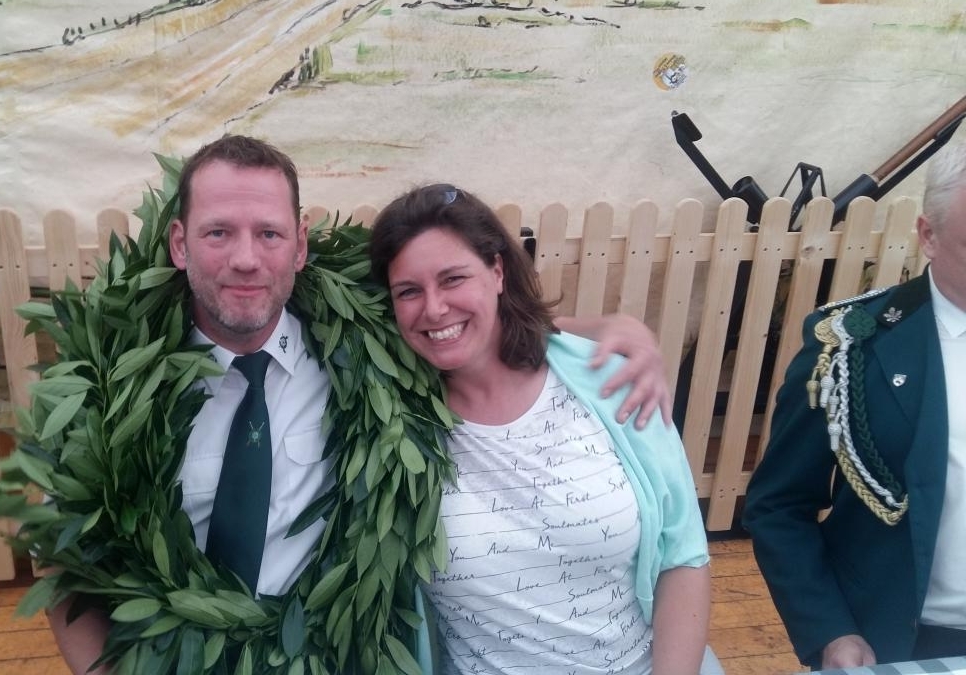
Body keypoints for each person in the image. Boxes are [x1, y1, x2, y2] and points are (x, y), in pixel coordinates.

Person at [48, 136, 674, 673]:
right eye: (218, 233)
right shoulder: (109, 392)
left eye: (269, 233)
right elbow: (64, 567)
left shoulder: (363, 343)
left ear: (300, 247)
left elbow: (458, 320)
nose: (245, 259)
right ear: (179, 243)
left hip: (331, 655)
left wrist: (612, 329)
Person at [369, 184, 711, 675]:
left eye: (453, 278)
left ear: (497, 270)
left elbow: (682, 555)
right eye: (408, 291)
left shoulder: (611, 381)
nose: (434, 308)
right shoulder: (390, 416)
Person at [743, 142, 966, 669]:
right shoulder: (852, 345)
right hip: (904, 642)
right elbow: (779, 505)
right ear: (928, 236)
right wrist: (830, 630)